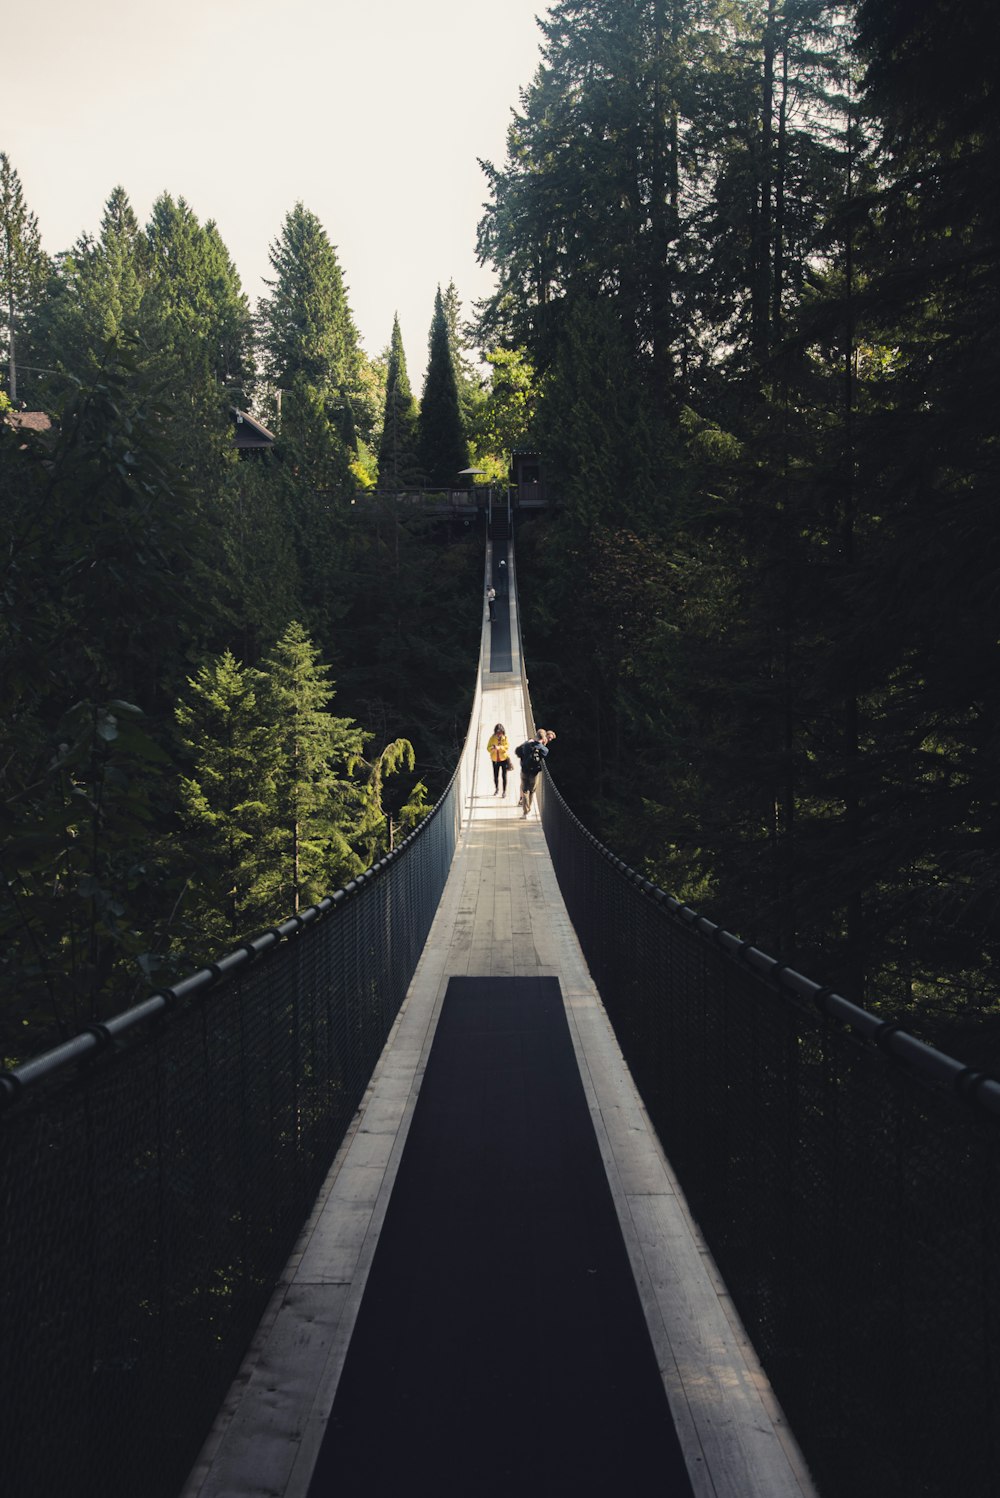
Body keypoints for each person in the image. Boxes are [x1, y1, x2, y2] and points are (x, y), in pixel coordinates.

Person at [515, 729, 549, 817]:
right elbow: (546, 752)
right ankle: (528, 809)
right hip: (534, 772)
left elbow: (517, 751)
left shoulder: (527, 745)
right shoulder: (542, 748)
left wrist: (527, 742)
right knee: (532, 791)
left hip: (524, 771)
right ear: (544, 738)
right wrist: (542, 744)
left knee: (524, 790)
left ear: (536, 736)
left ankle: (526, 812)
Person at [486, 723, 511, 795]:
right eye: (498, 733)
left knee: (504, 775)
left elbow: (506, 747)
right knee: (495, 775)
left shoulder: (505, 738)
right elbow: (488, 748)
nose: (499, 734)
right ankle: (496, 789)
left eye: (501, 733)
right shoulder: (492, 738)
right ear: (495, 732)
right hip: (495, 760)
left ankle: (504, 791)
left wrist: (499, 748)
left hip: (504, 759)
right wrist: (492, 749)